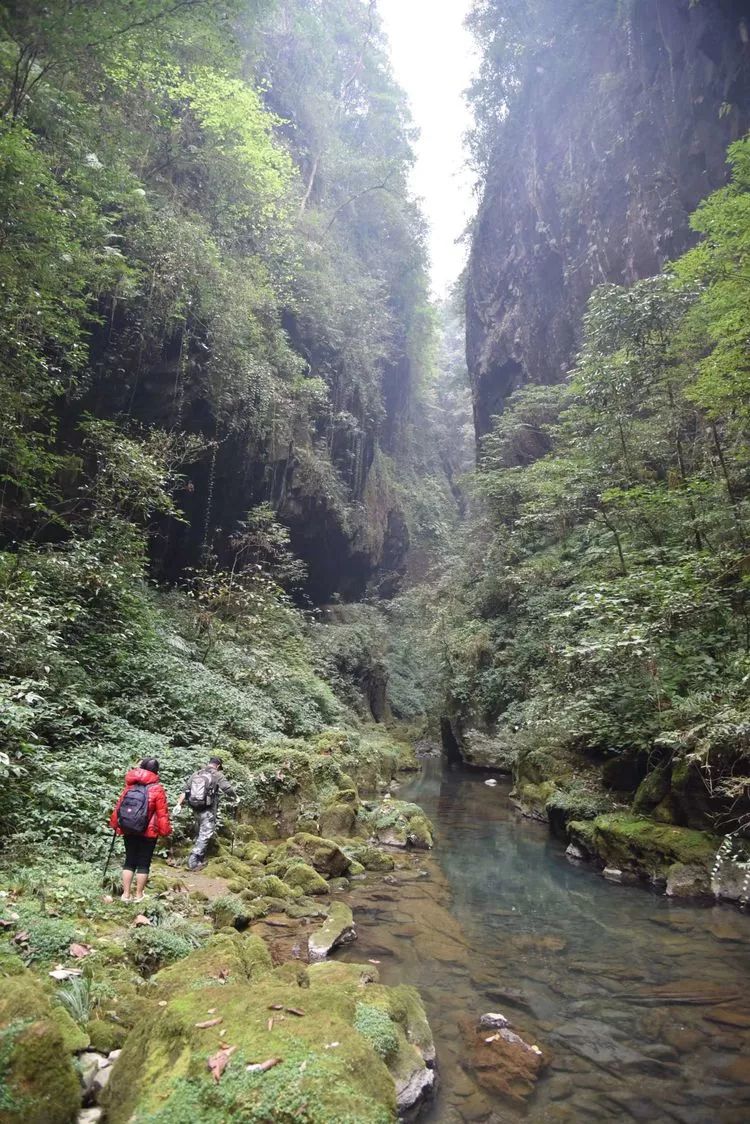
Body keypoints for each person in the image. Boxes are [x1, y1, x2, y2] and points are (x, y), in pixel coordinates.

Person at [109, 757, 171, 902]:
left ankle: (125, 895)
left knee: (129, 860)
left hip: (129, 829)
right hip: (148, 832)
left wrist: (116, 826)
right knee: (143, 863)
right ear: (156, 771)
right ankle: (138, 895)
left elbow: (119, 807)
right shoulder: (157, 789)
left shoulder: (130, 786)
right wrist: (165, 832)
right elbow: (162, 814)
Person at [174, 756, 236, 870]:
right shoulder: (217, 774)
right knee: (205, 833)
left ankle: (200, 858)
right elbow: (227, 788)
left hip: (195, 808)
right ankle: (193, 860)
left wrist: (178, 804)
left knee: (199, 831)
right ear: (218, 766)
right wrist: (235, 797)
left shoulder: (196, 774)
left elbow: (185, 790)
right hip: (208, 809)